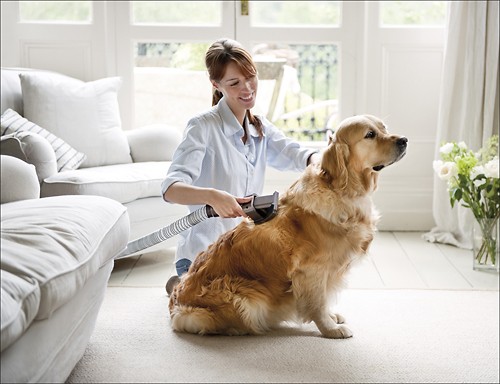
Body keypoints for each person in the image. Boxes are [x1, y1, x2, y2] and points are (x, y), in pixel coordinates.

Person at [162, 38, 319, 295]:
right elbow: (170, 189)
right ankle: (183, 283)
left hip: (246, 249)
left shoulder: (260, 126)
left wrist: (316, 160)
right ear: (216, 84)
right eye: (234, 83)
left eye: (251, 77)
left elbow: (295, 153)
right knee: (223, 307)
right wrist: (212, 197)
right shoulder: (202, 127)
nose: (247, 88)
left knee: (287, 293)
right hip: (205, 252)